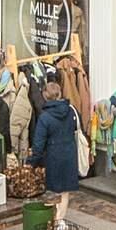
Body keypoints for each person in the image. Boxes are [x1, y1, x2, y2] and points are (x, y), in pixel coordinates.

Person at [29, 78, 81, 219]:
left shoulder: (45, 117)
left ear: (45, 96)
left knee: (52, 191)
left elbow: (38, 144)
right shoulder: (71, 111)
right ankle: (60, 220)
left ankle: (52, 221)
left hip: (52, 157)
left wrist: (32, 161)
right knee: (64, 192)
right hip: (69, 154)